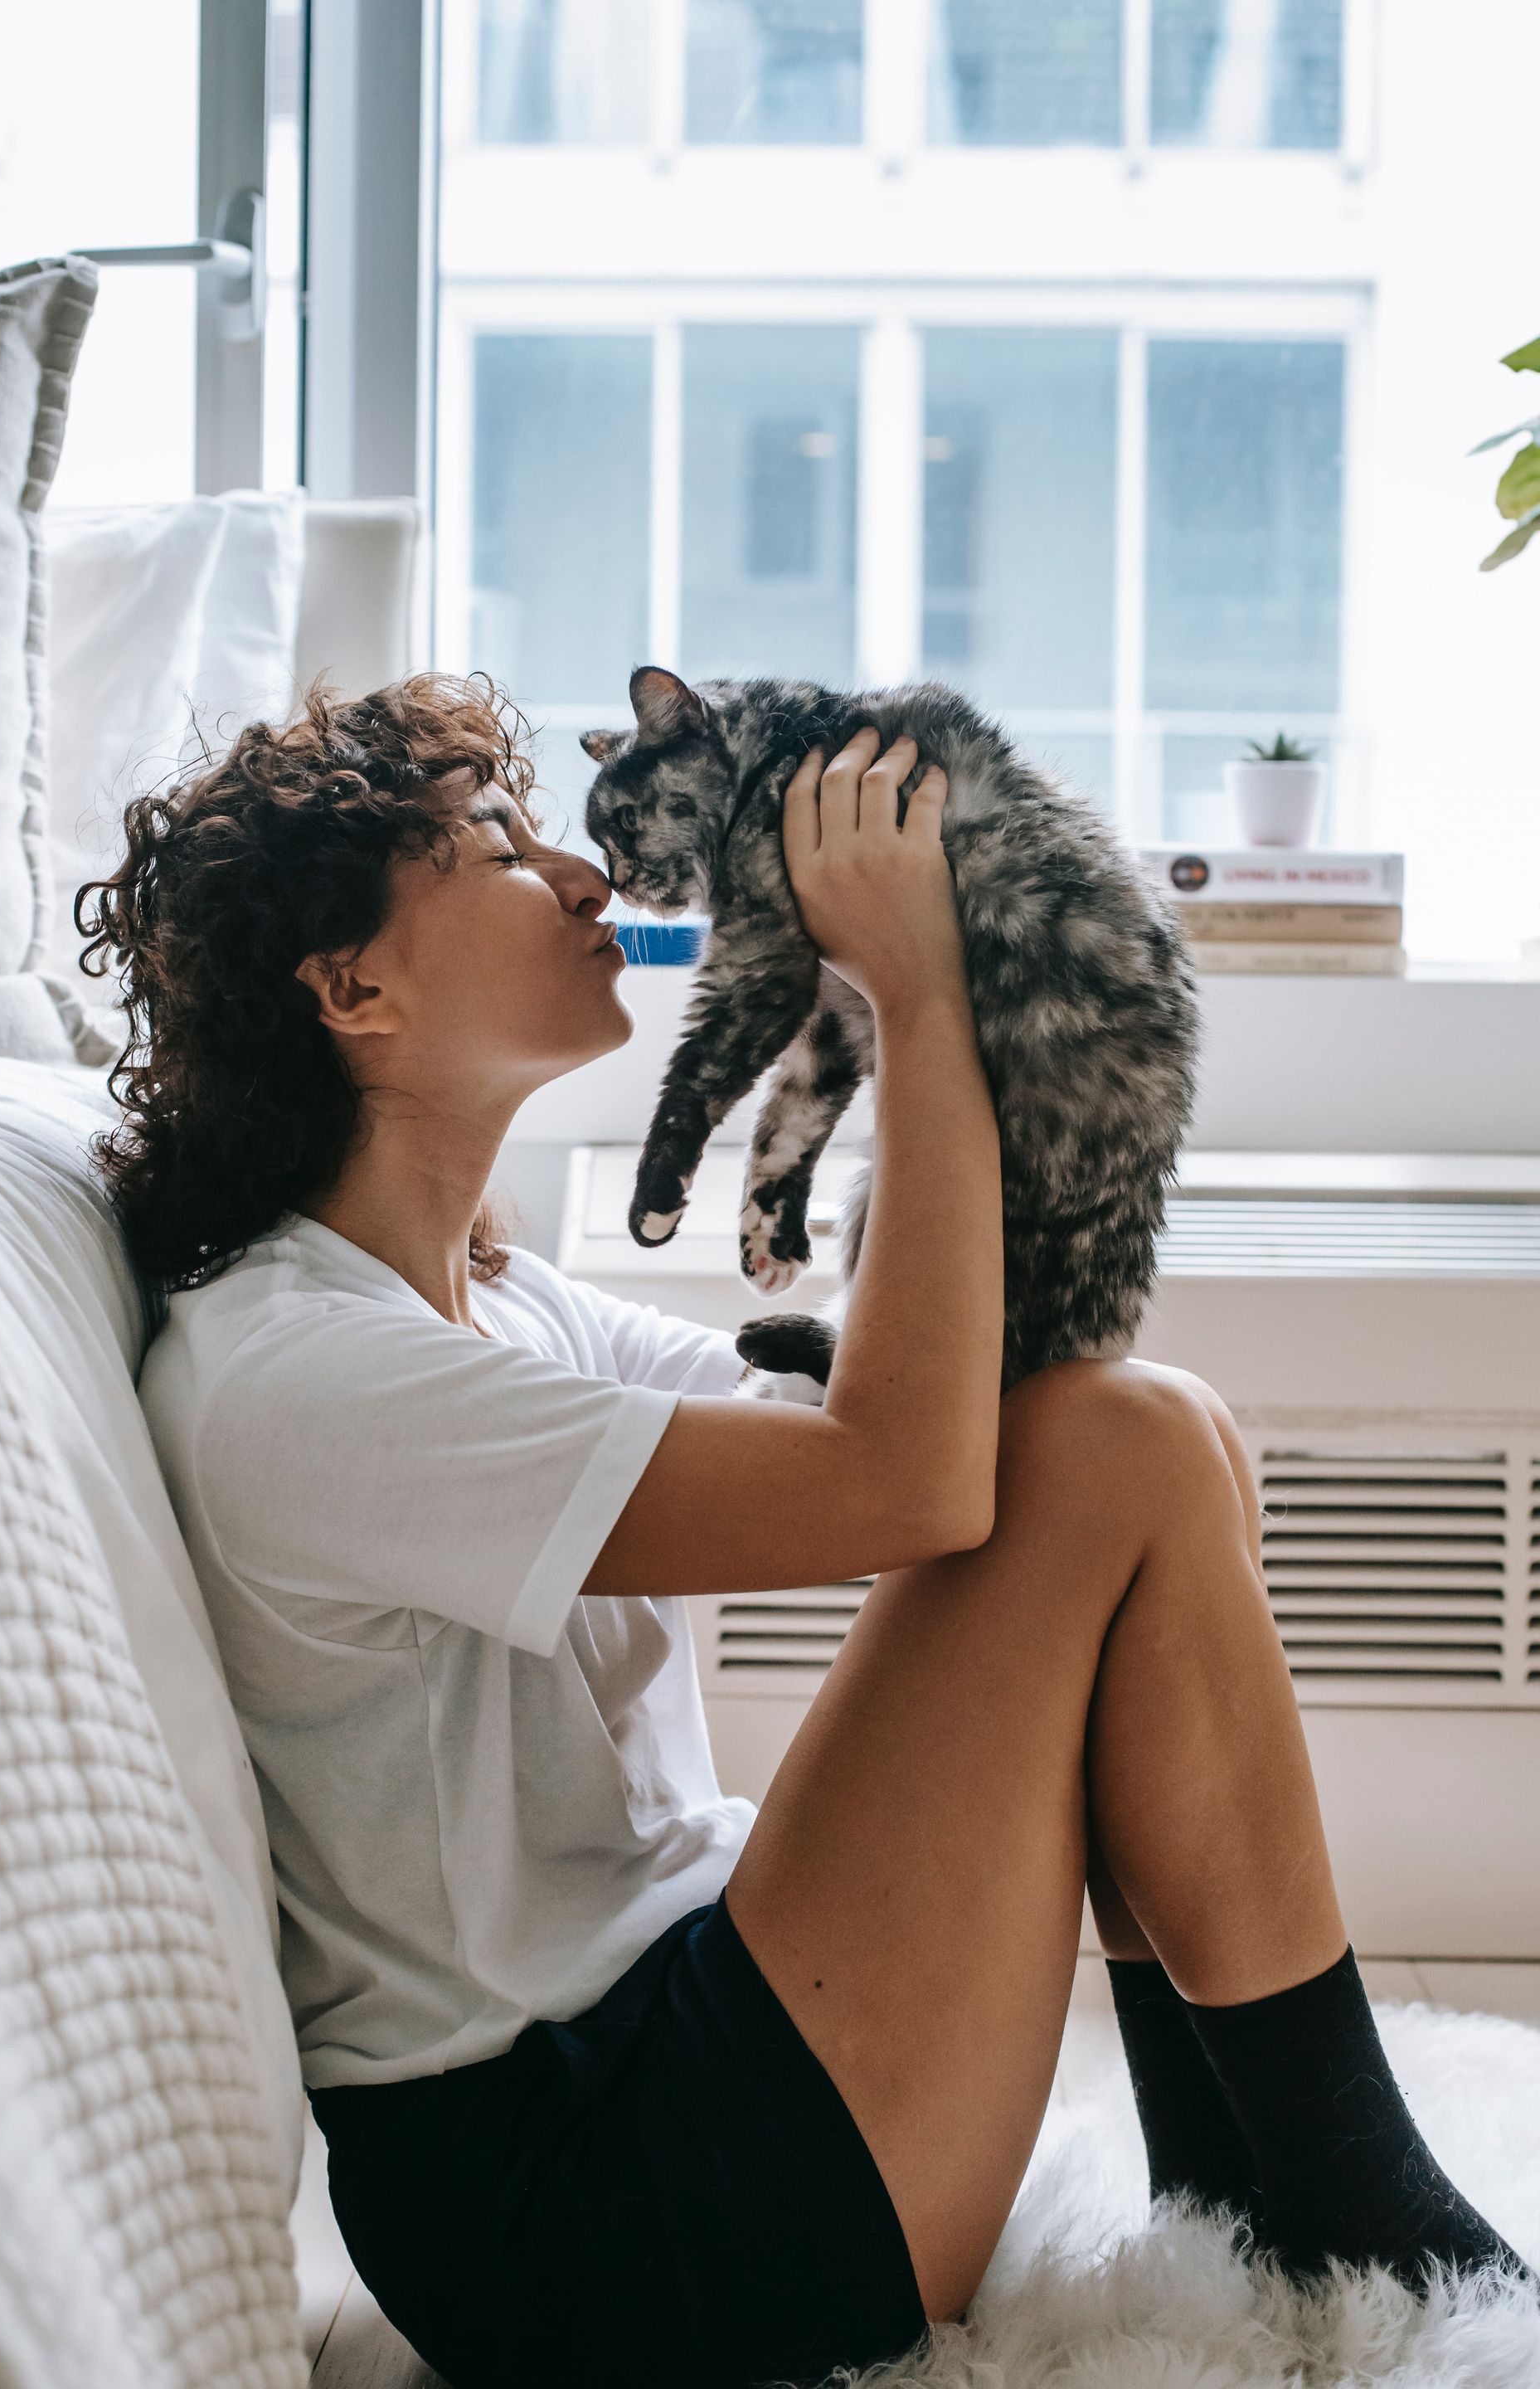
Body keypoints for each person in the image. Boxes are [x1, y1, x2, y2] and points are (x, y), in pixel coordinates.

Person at [85, 674, 1525, 2389]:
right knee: (1125, 1440)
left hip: (678, 2041)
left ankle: (1254, 2174)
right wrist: (915, 991)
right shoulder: (304, 1371)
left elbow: (950, 1435)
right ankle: (1355, 2196)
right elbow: (910, 1483)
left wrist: (970, 985)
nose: (579, 876)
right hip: (593, 2211)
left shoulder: (492, 1301)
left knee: (1164, 1433)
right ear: (351, 987)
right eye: (495, 851)